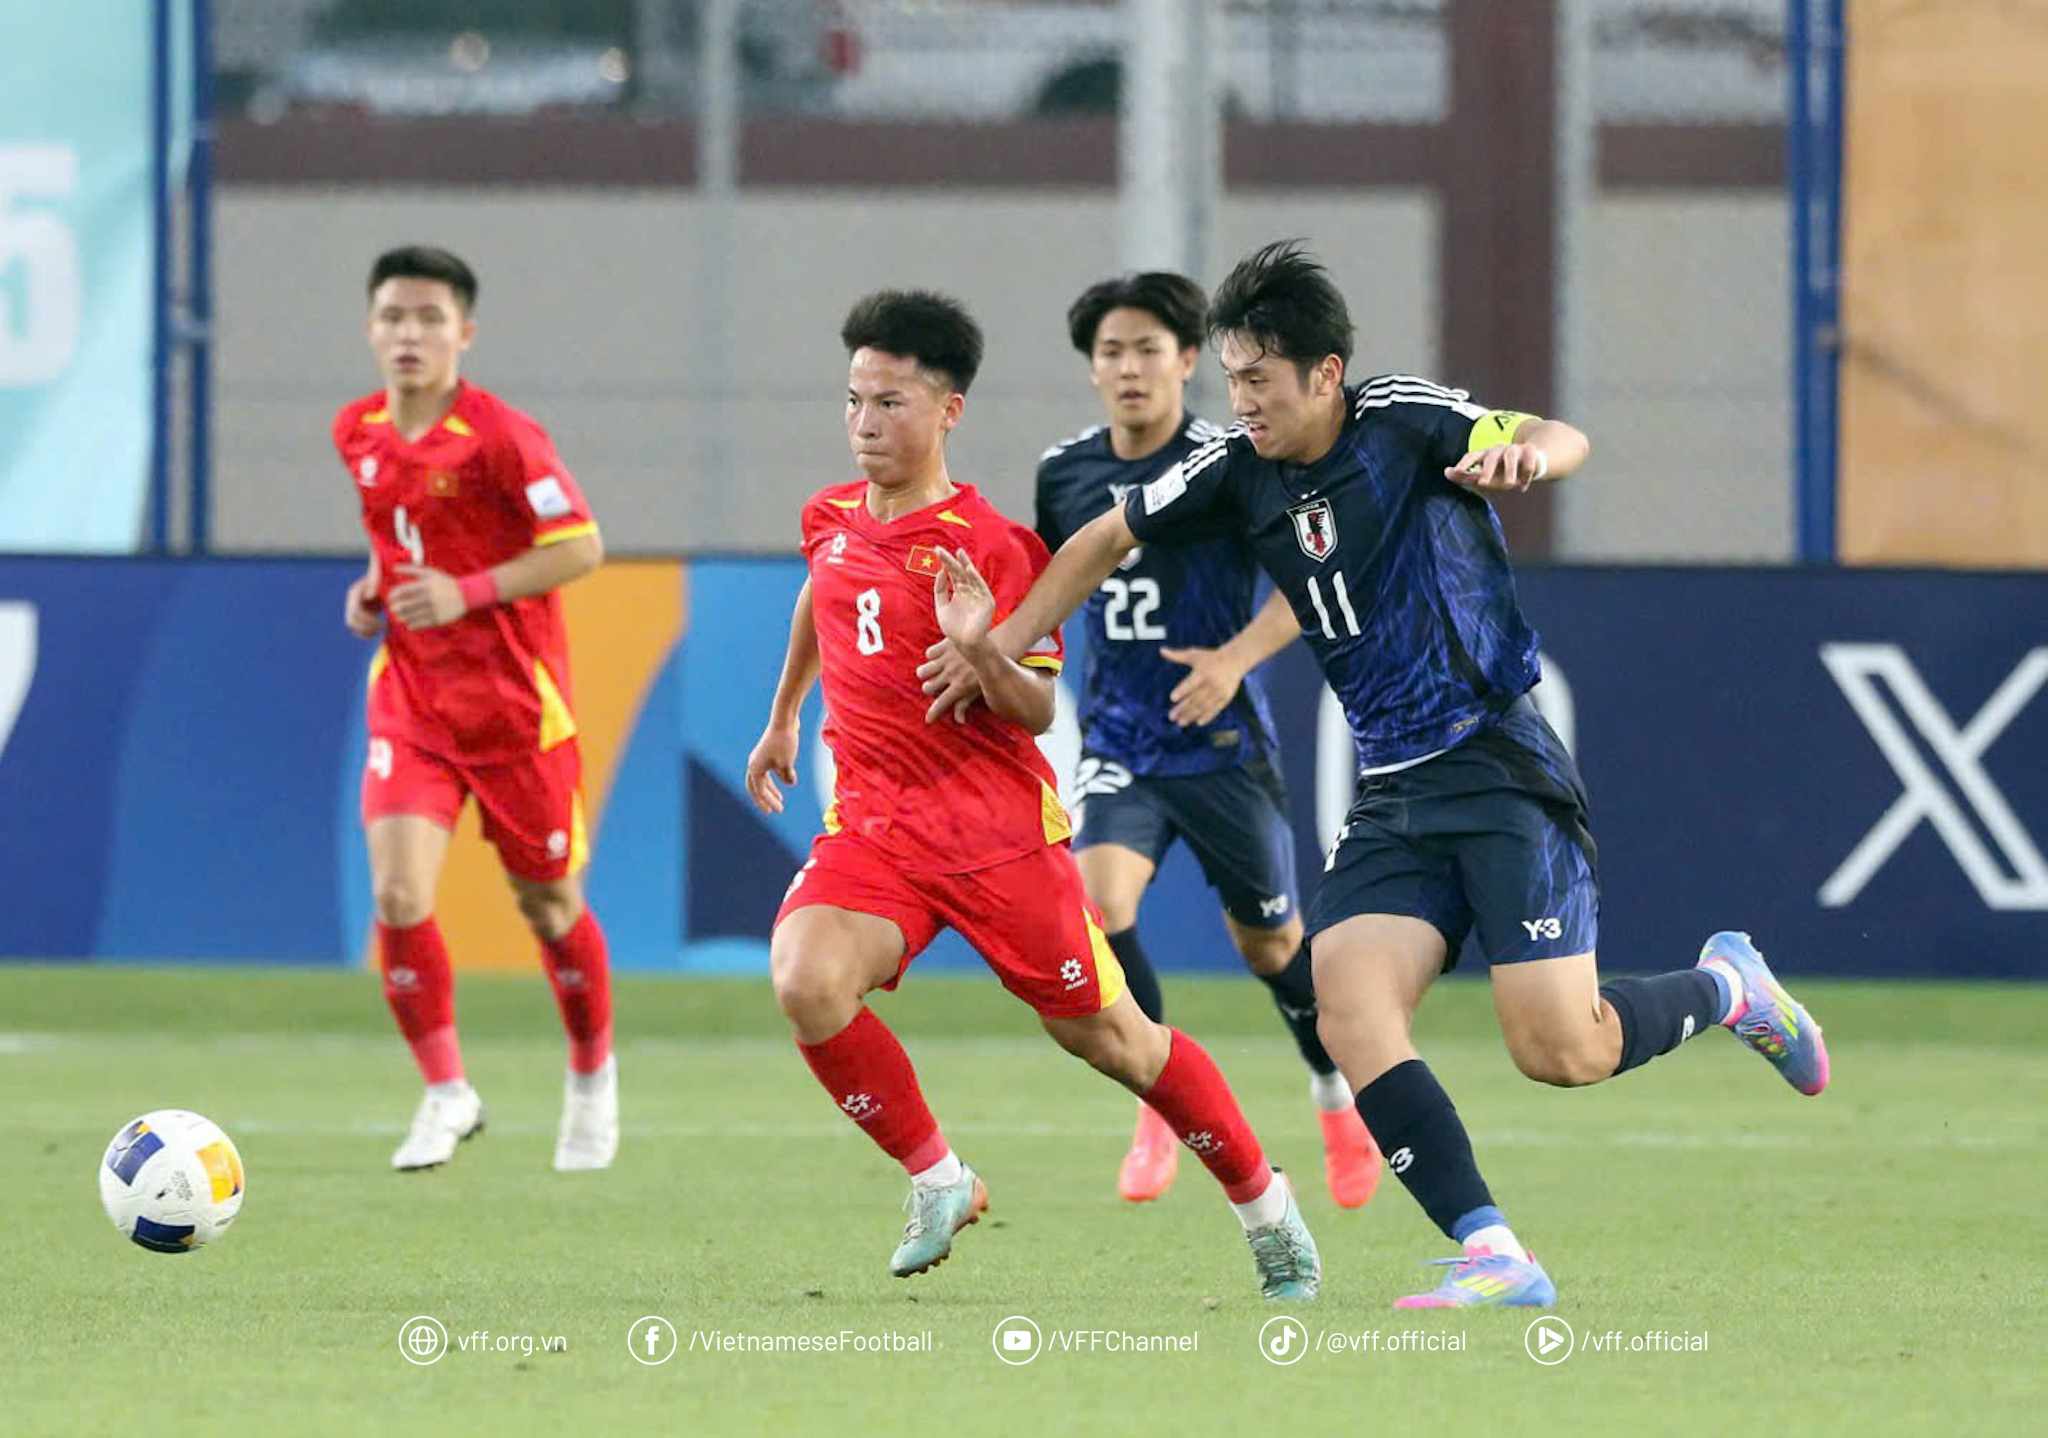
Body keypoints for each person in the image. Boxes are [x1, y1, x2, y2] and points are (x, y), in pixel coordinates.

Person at [922, 240, 1830, 1309]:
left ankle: (1729, 986)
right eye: (1230, 380)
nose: (1240, 402)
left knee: (1559, 1048)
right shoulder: (1234, 467)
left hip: (1494, 761)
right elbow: (1102, 536)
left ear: (1324, 373)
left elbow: (1551, 433)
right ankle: (1493, 1249)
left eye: (1259, 379)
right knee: (1344, 1003)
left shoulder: (1398, 416)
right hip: (1393, 788)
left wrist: (1527, 461)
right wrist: (1002, 643)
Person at [744, 288, 1320, 1298]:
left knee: (1119, 1043)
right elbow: (818, 587)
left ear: (947, 411)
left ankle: (1262, 1203)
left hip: (996, 840)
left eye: (890, 404)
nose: (865, 424)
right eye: (853, 401)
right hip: (876, 834)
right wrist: (786, 709)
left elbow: (1031, 706)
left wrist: (979, 647)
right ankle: (938, 1176)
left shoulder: (991, 547)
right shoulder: (827, 518)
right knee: (803, 977)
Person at [1023, 271, 1379, 1208]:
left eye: (1149, 349)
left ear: (1188, 361)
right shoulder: (1064, 474)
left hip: (1221, 744)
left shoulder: (1238, 460)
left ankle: (1334, 1093)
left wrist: (1231, 659)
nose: (1130, 368)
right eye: (1111, 352)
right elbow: (1051, 586)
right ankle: (1160, 1096)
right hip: (1118, 738)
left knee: (1271, 946)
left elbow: (1309, 579)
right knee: (1099, 906)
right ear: (1093, 370)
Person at [334, 245, 616, 1173]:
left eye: (428, 317)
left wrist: (465, 592)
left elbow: (579, 547)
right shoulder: (358, 430)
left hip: (513, 716)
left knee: (548, 903)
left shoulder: (502, 437)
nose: (409, 334)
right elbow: (399, 533)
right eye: (392, 317)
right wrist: (374, 586)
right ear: (372, 329)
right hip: (412, 700)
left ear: (464, 331)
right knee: (398, 892)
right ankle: (447, 1092)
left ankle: (588, 1076)